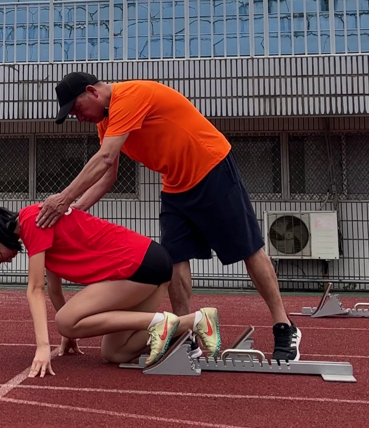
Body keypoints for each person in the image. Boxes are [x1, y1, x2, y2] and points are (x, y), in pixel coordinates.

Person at [36, 71, 301, 362]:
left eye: (77, 109)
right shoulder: (105, 122)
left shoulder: (129, 96)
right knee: (175, 258)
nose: (78, 118)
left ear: (92, 91)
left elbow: (106, 158)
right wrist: (74, 212)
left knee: (248, 249)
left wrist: (63, 199)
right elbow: (107, 176)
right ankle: (187, 335)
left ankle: (284, 325)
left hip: (211, 168)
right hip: (175, 186)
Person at [0, 204, 222, 377]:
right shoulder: (35, 227)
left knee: (64, 321)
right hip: (150, 265)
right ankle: (195, 322)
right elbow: (54, 288)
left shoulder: (31, 221)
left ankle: (160, 324)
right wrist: (71, 336)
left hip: (139, 264)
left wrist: (43, 347)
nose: (6, 262)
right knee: (115, 352)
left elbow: (35, 289)